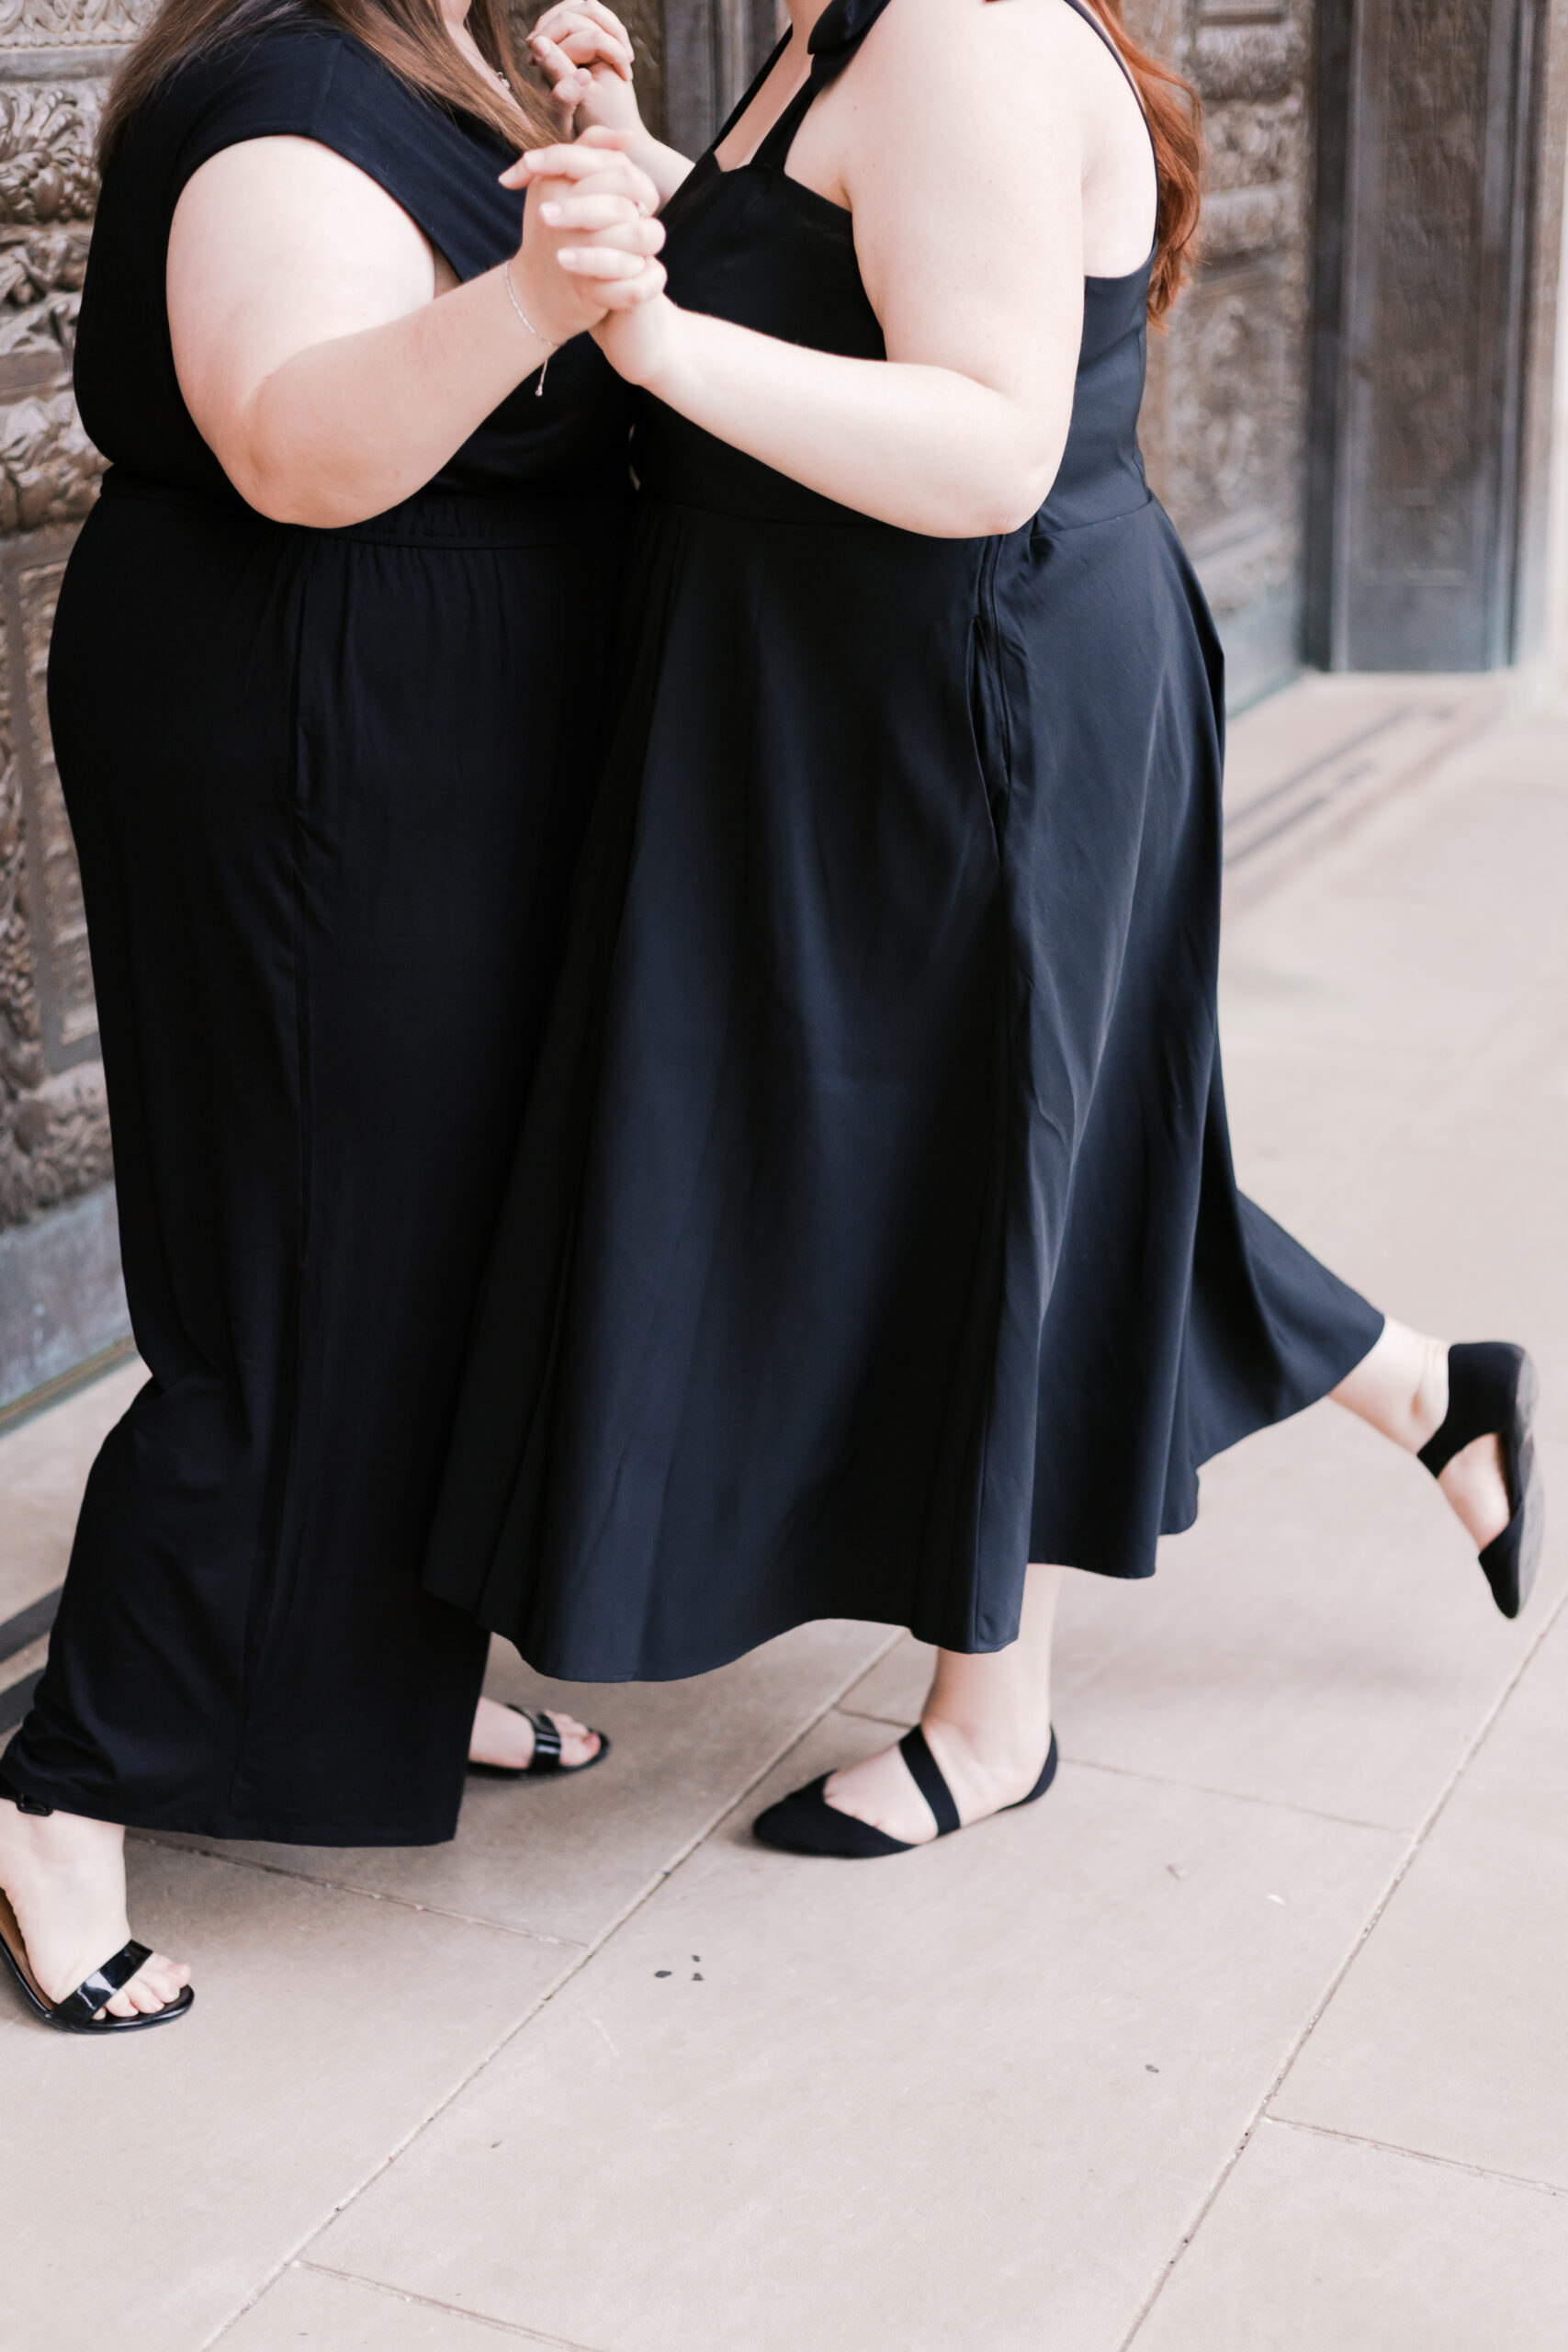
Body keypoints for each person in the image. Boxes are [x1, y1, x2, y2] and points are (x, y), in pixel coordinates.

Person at [423, 0, 1543, 1857]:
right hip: (843, 682)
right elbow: (839, 276)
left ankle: (989, 1710)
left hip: (968, 699)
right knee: (1030, 1149)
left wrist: (658, 335)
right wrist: (640, 167)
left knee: (986, 1165)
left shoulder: (952, 35)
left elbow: (987, 447)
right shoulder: (827, 25)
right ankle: (1430, 1387)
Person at [0, 0, 664, 2032]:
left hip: (408, 731)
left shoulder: (428, 63)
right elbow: (295, 443)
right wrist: (547, 290)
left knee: (427, 1245)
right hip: (317, 741)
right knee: (304, 1266)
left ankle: (375, 1668)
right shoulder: (290, 93)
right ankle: (59, 1792)